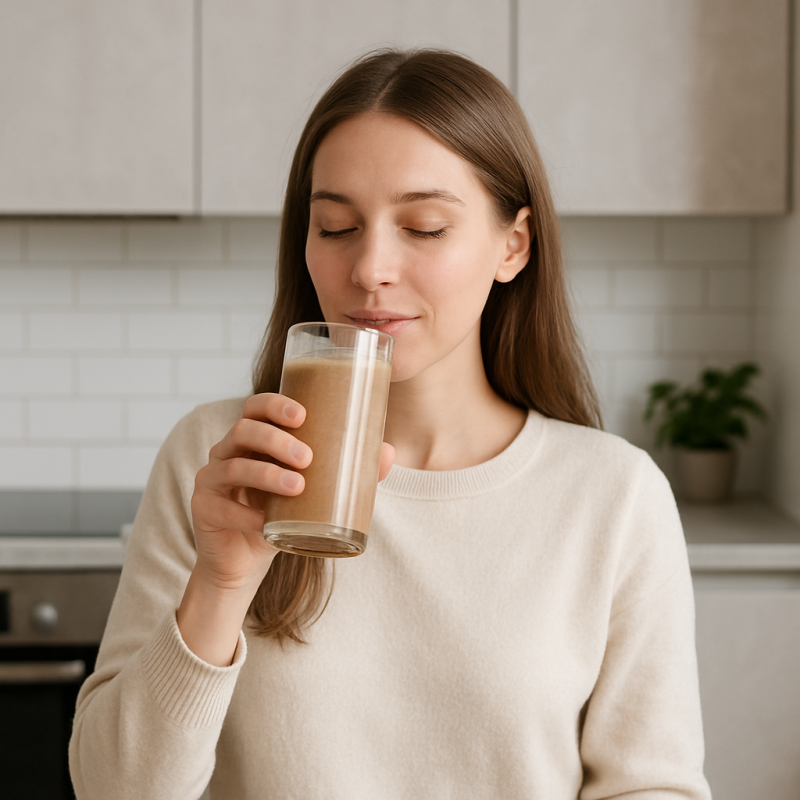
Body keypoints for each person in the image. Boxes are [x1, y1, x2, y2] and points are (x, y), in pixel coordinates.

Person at [69, 48, 711, 799]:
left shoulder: (613, 496)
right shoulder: (218, 461)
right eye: (336, 226)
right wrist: (219, 582)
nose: (370, 266)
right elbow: (112, 789)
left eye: (426, 227)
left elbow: (652, 786)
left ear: (514, 245)